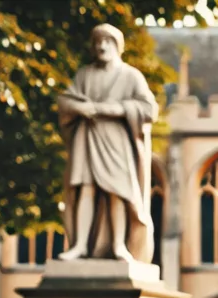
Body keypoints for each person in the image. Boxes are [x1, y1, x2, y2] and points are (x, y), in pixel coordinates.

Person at [57, 23, 157, 263]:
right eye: (98, 42)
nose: (102, 46)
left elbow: (149, 109)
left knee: (118, 193)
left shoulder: (131, 76)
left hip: (116, 141)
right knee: (86, 190)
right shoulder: (84, 75)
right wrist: (81, 107)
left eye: (107, 41)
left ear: (117, 46)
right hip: (88, 136)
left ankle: (119, 246)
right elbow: (65, 101)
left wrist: (116, 109)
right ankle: (80, 245)